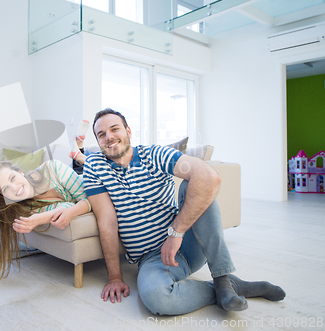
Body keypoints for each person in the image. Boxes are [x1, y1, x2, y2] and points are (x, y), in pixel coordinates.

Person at [83, 108, 286, 315]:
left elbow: (209, 177)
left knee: (197, 185)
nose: (109, 137)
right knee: (157, 298)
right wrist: (115, 278)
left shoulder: (154, 154)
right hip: (152, 258)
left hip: (188, 241)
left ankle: (222, 278)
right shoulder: (94, 165)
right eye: (101, 134)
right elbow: (107, 220)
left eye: (114, 129)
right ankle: (227, 289)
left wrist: (176, 232)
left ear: (128, 131)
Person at [0, 159, 91, 278]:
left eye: (12, 178)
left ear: (20, 172)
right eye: (5, 189)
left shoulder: (52, 169)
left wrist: (69, 212)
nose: (14, 188)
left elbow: (92, 199)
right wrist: (40, 218)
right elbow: (67, 206)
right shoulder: (28, 209)